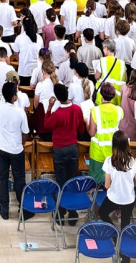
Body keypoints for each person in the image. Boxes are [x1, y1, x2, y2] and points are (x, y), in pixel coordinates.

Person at [43, 83, 85, 223]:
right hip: (73, 147)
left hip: (59, 149)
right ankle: (72, 213)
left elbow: (46, 124)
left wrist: (49, 107)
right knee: (71, 179)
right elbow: (81, 130)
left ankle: (60, 212)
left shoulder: (57, 114)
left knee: (61, 180)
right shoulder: (76, 109)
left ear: (56, 98)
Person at [0, 80, 28, 221]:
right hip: (16, 149)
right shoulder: (19, 112)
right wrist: (22, 143)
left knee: (3, 177)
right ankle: (22, 208)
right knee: (19, 178)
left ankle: (4, 208)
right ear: (14, 97)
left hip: (0, 147)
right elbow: (25, 132)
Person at [100, 131, 136, 234]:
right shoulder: (133, 161)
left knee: (102, 213)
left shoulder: (109, 161)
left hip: (114, 198)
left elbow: (107, 185)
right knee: (125, 223)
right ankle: (122, 244)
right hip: (128, 199)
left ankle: (114, 233)